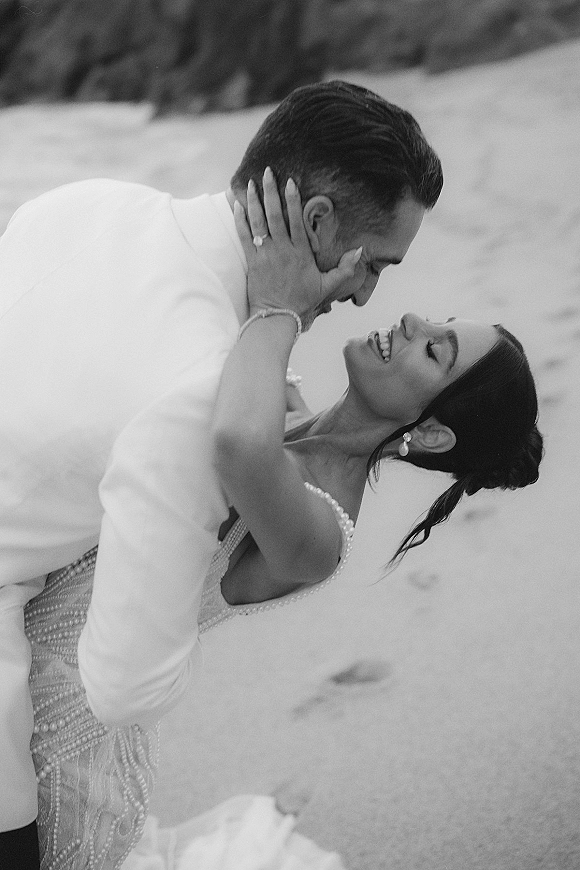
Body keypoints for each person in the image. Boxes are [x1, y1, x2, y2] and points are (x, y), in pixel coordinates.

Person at [24, 173, 542, 868]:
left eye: (434, 350)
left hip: (65, 749)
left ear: (436, 435)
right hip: (20, 657)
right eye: (438, 322)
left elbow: (238, 443)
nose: (414, 322)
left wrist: (279, 307)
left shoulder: (321, 533)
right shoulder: (283, 404)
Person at [0, 80, 443, 863]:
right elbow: (127, 687)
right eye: (373, 263)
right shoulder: (203, 393)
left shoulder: (85, 198)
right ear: (316, 223)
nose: (372, 294)